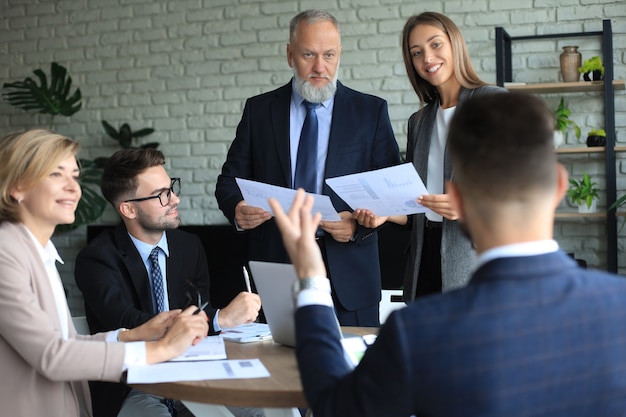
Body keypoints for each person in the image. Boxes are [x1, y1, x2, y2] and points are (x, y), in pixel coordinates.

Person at [270, 93, 626, 416]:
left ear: (454, 197)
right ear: (560, 185)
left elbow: (336, 407)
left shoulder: (417, 332)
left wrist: (311, 281)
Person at [0, 129, 209, 417]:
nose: (74, 187)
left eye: (74, 175)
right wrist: (160, 350)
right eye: (56, 174)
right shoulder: (5, 252)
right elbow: (52, 356)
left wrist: (133, 335)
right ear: (18, 187)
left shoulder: (39, 252)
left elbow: (67, 344)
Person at [215, 9, 401, 327]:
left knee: (350, 371)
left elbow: (391, 192)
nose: (320, 67)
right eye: (308, 54)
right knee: (277, 371)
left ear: (339, 53)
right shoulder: (259, 111)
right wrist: (237, 208)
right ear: (290, 54)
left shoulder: (370, 111)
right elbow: (228, 181)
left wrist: (360, 227)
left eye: (329, 55)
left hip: (350, 275)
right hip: (276, 269)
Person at [75, 148, 261, 417]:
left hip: (193, 375)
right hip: (133, 384)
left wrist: (215, 319)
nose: (175, 199)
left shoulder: (189, 246)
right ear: (128, 209)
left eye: (171, 188)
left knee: (261, 413)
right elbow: (131, 323)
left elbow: (197, 313)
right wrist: (220, 318)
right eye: (162, 194)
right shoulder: (96, 260)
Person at [353, 12, 506, 301]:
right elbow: (416, 207)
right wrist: (384, 214)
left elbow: (520, 187)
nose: (427, 58)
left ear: (454, 44)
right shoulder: (419, 121)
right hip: (423, 261)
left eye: (436, 44)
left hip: (473, 258)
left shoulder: (492, 102)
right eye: (417, 52)